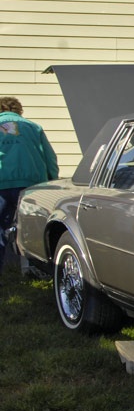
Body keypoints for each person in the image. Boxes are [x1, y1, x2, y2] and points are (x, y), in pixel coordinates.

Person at [0, 97, 59, 282]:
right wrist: (51, 180)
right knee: (28, 227)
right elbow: (50, 158)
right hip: (31, 185)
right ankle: (31, 270)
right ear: (19, 111)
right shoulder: (34, 127)